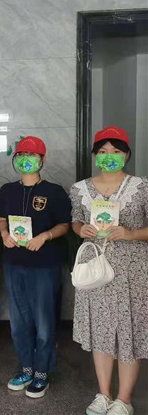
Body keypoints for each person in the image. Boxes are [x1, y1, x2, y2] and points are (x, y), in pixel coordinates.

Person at [70, 126, 148, 415]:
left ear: (126, 155)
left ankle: (124, 399)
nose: (109, 156)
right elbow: (76, 221)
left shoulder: (142, 187)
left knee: (128, 333)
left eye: (116, 151)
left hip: (132, 271)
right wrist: (81, 229)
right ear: (95, 155)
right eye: (103, 151)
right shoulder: (79, 189)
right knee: (101, 332)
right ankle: (103, 394)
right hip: (95, 269)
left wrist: (131, 234)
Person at [0, 136, 71, 399]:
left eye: (32, 155)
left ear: (42, 159)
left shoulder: (54, 191)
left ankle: (42, 372)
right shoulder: (8, 190)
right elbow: (2, 219)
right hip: (14, 263)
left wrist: (45, 236)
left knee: (44, 320)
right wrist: (4, 234)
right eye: (21, 155)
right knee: (19, 321)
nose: (25, 160)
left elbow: (65, 225)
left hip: (44, 264)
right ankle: (26, 368)